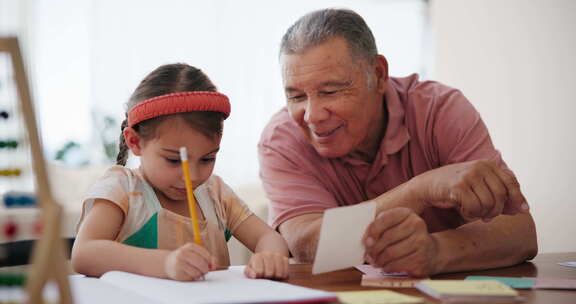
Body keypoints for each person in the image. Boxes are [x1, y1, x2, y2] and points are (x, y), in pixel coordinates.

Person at [258, 8, 537, 277]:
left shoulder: (439, 110)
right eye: (296, 96)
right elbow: (307, 245)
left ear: (378, 75)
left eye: (330, 91)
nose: (311, 116)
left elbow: (519, 231)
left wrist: (434, 252)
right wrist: (420, 190)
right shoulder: (281, 140)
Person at [72, 63, 289, 281]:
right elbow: (84, 254)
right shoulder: (123, 189)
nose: (192, 176)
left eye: (207, 158)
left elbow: (268, 237)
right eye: (174, 160)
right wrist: (165, 263)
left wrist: (270, 256)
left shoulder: (216, 193)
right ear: (135, 142)